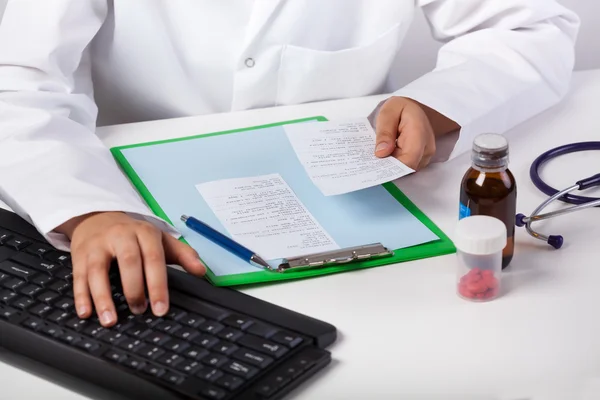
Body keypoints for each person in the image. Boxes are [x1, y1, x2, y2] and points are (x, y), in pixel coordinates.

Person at [0, 1, 579, 326]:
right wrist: (88, 209)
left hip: (356, 225)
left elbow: (531, 26)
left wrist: (440, 105)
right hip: (151, 219)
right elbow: (17, 80)